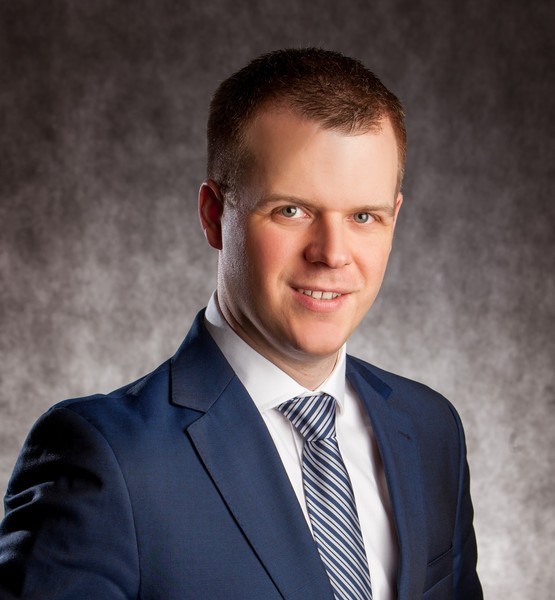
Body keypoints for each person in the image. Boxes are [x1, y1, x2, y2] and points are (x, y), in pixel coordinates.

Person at [0, 48, 482, 599]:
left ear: (394, 218)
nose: (332, 253)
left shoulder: (431, 430)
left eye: (363, 217)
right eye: (291, 211)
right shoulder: (107, 459)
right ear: (214, 216)